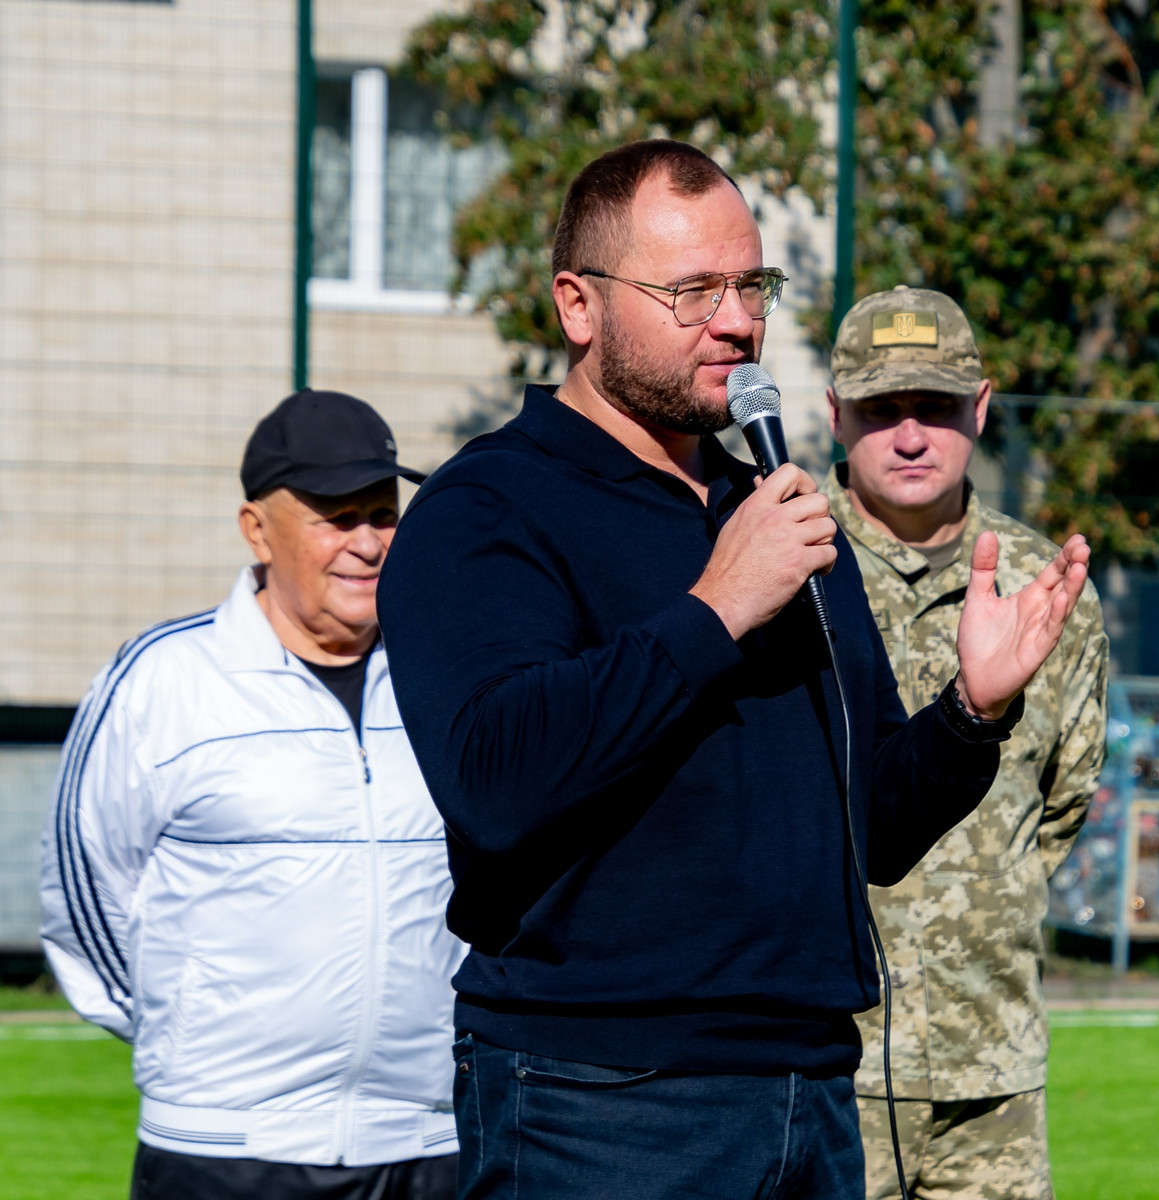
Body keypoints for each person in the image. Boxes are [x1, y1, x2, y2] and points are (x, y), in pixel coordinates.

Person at [375, 139, 1091, 1200]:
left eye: (752, 284)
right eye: (692, 290)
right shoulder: (490, 509)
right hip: (598, 1099)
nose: (737, 320)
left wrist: (968, 714)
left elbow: (871, 832)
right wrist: (716, 609)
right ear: (579, 305)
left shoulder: (773, 510)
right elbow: (494, 777)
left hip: (806, 1088)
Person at [39, 390, 464, 1200]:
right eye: (337, 518)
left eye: (383, 514)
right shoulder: (161, 680)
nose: (369, 544)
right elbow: (85, 900)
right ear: (255, 529)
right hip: (220, 1149)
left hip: (429, 1144)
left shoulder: (446, 677)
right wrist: (189, 1035)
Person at [824, 287, 1108, 1200]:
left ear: (980, 408)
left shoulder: (1045, 588)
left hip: (992, 1071)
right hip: (828, 1064)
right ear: (834, 416)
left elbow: (1062, 804)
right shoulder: (783, 570)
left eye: (936, 408)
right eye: (880, 410)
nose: (911, 437)